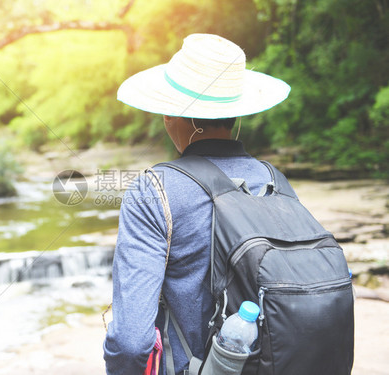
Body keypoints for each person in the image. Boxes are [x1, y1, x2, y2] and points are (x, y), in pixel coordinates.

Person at [103, 34, 291, 374]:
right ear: (236, 114)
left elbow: (131, 342)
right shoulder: (275, 179)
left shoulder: (153, 190)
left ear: (170, 114)